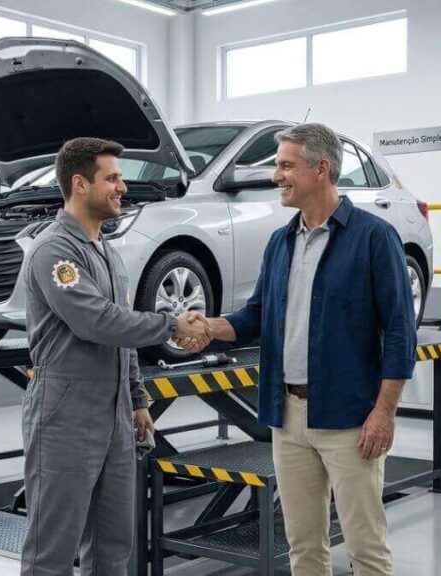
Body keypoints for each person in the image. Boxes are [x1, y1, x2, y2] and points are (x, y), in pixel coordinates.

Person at [188, 123, 416, 576]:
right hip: (287, 418)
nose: (277, 176)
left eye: (286, 165)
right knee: (303, 548)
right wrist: (209, 327)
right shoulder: (280, 242)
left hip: (351, 419)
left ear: (322, 169)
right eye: (278, 165)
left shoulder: (373, 238)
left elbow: (399, 333)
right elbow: (256, 317)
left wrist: (383, 412)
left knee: (365, 548)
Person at [21, 137, 211, 575]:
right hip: (64, 412)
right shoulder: (55, 251)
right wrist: (169, 325)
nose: (122, 186)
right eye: (113, 178)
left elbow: (120, 335)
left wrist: (138, 399)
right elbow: (95, 321)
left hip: (115, 414)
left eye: (120, 178)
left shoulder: (108, 253)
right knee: (51, 548)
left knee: (113, 546)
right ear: (80, 184)